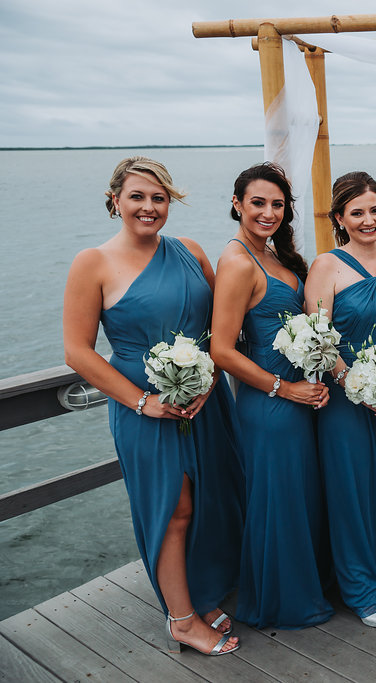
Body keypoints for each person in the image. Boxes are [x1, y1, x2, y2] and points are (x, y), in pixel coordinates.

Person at [63, 157, 242, 656]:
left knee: (212, 498)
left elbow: (216, 331)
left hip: (205, 401)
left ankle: (203, 596)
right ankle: (182, 620)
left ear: (170, 203)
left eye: (158, 198)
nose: (148, 207)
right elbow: (77, 351)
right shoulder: (92, 263)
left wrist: (210, 379)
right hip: (143, 408)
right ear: (115, 200)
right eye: (137, 196)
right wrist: (144, 402)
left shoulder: (190, 251)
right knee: (174, 508)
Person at [210, 162, 334, 630]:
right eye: (257, 203)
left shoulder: (274, 255)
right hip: (272, 402)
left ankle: (310, 581)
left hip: (302, 398)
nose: (267, 212)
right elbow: (221, 350)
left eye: (277, 204)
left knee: (300, 495)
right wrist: (287, 388)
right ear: (237, 204)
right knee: (280, 498)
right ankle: (287, 599)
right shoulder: (239, 261)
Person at [305, 172, 376, 628]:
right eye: (357, 212)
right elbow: (318, 341)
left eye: (375, 209)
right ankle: (360, 586)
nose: (368, 219)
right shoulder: (325, 266)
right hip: (345, 401)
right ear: (340, 218)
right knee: (353, 494)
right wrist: (360, 388)